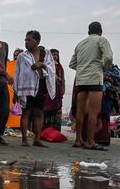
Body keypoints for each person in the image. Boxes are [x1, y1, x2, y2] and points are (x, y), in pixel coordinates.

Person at [69, 22, 113, 151]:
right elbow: (109, 57)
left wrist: (83, 68)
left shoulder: (81, 44)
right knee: (94, 112)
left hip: (81, 80)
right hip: (95, 79)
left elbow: (72, 64)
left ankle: (78, 140)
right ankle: (90, 141)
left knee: (80, 111)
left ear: (88, 31)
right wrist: (103, 68)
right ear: (100, 31)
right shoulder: (102, 40)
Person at [14, 30, 56, 147]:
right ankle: (24, 139)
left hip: (41, 86)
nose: (26, 42)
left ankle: (37, 139)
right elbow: (17, 73)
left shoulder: (46, 54)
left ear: (37, 41)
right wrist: (16, 90)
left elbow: (52, 69)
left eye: (29, 40)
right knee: (26, 112)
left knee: (38, 111)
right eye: (25, 40)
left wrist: (41, 65)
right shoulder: (22, 56)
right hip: (26, 87)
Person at [43, 49, 65, 131]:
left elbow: (62, 79)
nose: (55, 56)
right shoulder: (47, 65)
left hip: (58, 90)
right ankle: (46, 129)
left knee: (57, 109)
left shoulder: (60, 66)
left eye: (57, 55)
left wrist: (62, 90)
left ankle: (55, 129)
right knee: (47, 109)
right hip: (49, 90)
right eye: (53, 55)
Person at [5, 48, 23, 130]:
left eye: (18, 55)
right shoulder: (10, 65)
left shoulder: (24, 65)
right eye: (15, 55)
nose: (16, 57)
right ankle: (10, 124)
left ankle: (20, 125)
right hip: (10, 90)